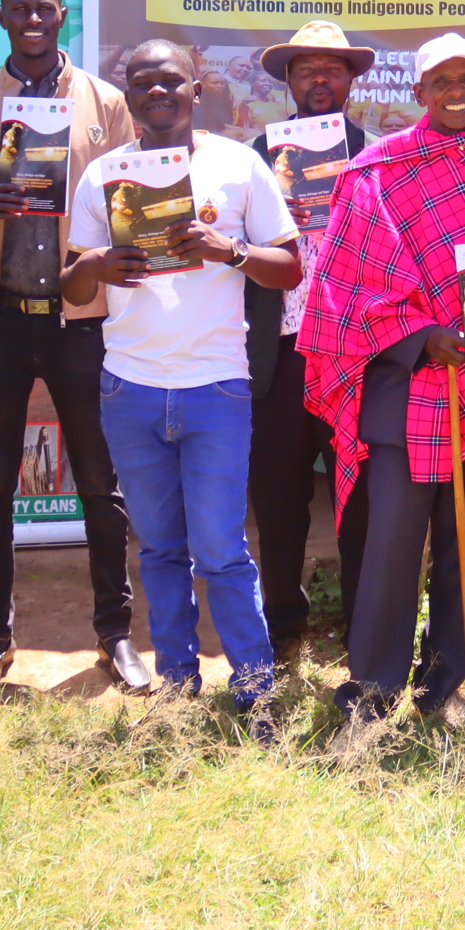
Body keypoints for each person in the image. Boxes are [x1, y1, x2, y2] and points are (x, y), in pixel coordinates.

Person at [299, 33, 465, 721]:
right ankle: (372, 688)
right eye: (441, 80)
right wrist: (423, 336)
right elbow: (346, 287)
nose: (455, 90)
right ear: (420, 93)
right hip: (405, 388)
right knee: (391, 542)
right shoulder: (374, 174)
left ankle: (446, 685)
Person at [64, 40, 299, 724]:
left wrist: (230, 250)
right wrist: (100, 265)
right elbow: (72, 282)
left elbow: (289, 268)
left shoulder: (237, 166)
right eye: (144, 83)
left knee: (222, 548)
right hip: (129, 387)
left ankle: (254, 686)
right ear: (129, 96)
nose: (158, 92)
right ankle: (177, 683)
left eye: (171, 81)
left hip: (216, 386)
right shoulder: (104, 175)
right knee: (161, 547)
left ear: (196, 90)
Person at [0, 0, 141, 692]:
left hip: (80, 321)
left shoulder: (106, 103)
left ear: (63, 15)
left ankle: (114, 635)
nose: (33, 19)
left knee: (100, 483)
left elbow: (126, 205)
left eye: (45, 8)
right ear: (0, 15)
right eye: (19, 8)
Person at [246, 20, 376, 661]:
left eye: (332, 69)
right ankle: (283, 622)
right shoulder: (255, 155)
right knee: (277, 497)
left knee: (363, 496)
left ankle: (363, 622)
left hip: (357, 351)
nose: (319, 80)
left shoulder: (382, 155)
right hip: (279, 350)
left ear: (352, 80)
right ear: (288, 82)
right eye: (306, 69)